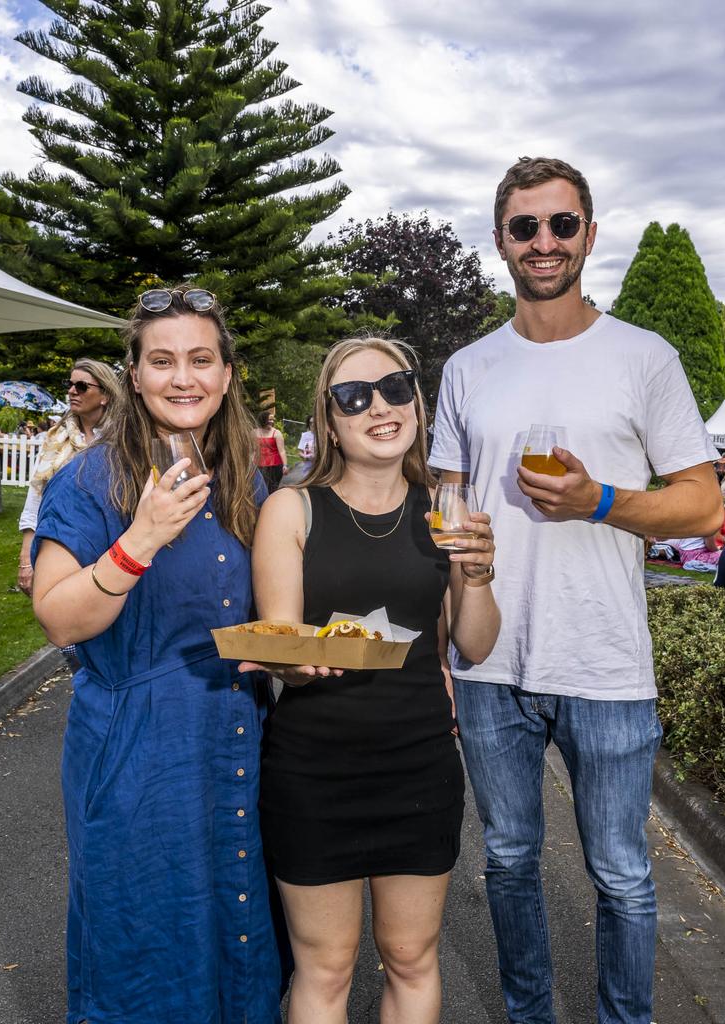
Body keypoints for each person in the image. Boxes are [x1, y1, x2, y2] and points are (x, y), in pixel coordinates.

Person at [430, 156, 723, 1024]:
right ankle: (530, 1016)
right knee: (510, 860)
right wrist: (448, 616)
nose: (544, 242)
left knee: (623, 874)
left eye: (563, 224)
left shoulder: (644, 356)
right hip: (490, 662)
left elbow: (705, 505)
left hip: (604, 658)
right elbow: (444, 501)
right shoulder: (469, 367)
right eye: (526, 227)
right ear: (501, 243)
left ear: (589, 235)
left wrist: (601, 500)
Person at [31, 285, 286, 1024]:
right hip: (136, 754)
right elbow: (58, 620)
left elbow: (271, 610)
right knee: (142, 944)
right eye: (163, 361)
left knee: (240, 943)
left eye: (201, 360)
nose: (184, 378)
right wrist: (140, 537)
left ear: (227, 374)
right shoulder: (89, 481)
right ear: (134, 376)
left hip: (240, 741)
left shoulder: (248, 481)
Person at [250, 336, 500, 1024]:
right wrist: (291, 662)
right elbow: (280, 643)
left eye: (395, 387)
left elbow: (474, 644)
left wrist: (476, 577)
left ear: (417, 401)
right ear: (329, 421)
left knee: (413, 958)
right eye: (353, 397)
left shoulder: (443, 508)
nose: (379, 407)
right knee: (325, 968)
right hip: (312, 770)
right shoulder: (291, 510)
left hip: (418, 766)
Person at [18, 360, 120, 603]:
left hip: (111, 545)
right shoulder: (56, 440)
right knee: (66, 615)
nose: (72, 391)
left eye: (82, 386)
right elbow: (36, 499)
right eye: (70, 384)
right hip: (61, 546)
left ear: (105, 395)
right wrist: (26, 560)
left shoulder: (123, 440)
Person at [255, 408, 288, 492]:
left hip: (275, 466)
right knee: (258, 487)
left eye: (273, 420)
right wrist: (249, 464)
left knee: (272, 488)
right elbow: (252, 450)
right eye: (270, 419)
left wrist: (285, 465)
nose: (272, 421)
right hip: (259, 465)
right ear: (263, 419)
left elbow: (282, 451)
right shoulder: (254, 433)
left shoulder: (277, 433)